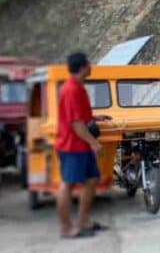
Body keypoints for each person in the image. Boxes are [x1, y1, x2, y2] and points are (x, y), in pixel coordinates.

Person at [56, 52, 111, 238]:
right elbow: (76, 124)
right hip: (71, 147)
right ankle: (66, 228)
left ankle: (83, 220)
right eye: (89, 64)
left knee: (92, 179)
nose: (91, 66)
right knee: (68, 185)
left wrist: (95, 117)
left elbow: (80, 115)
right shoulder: (70, 89)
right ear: (82, 67)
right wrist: (94, 143)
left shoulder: (78, 88)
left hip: (81, 146)